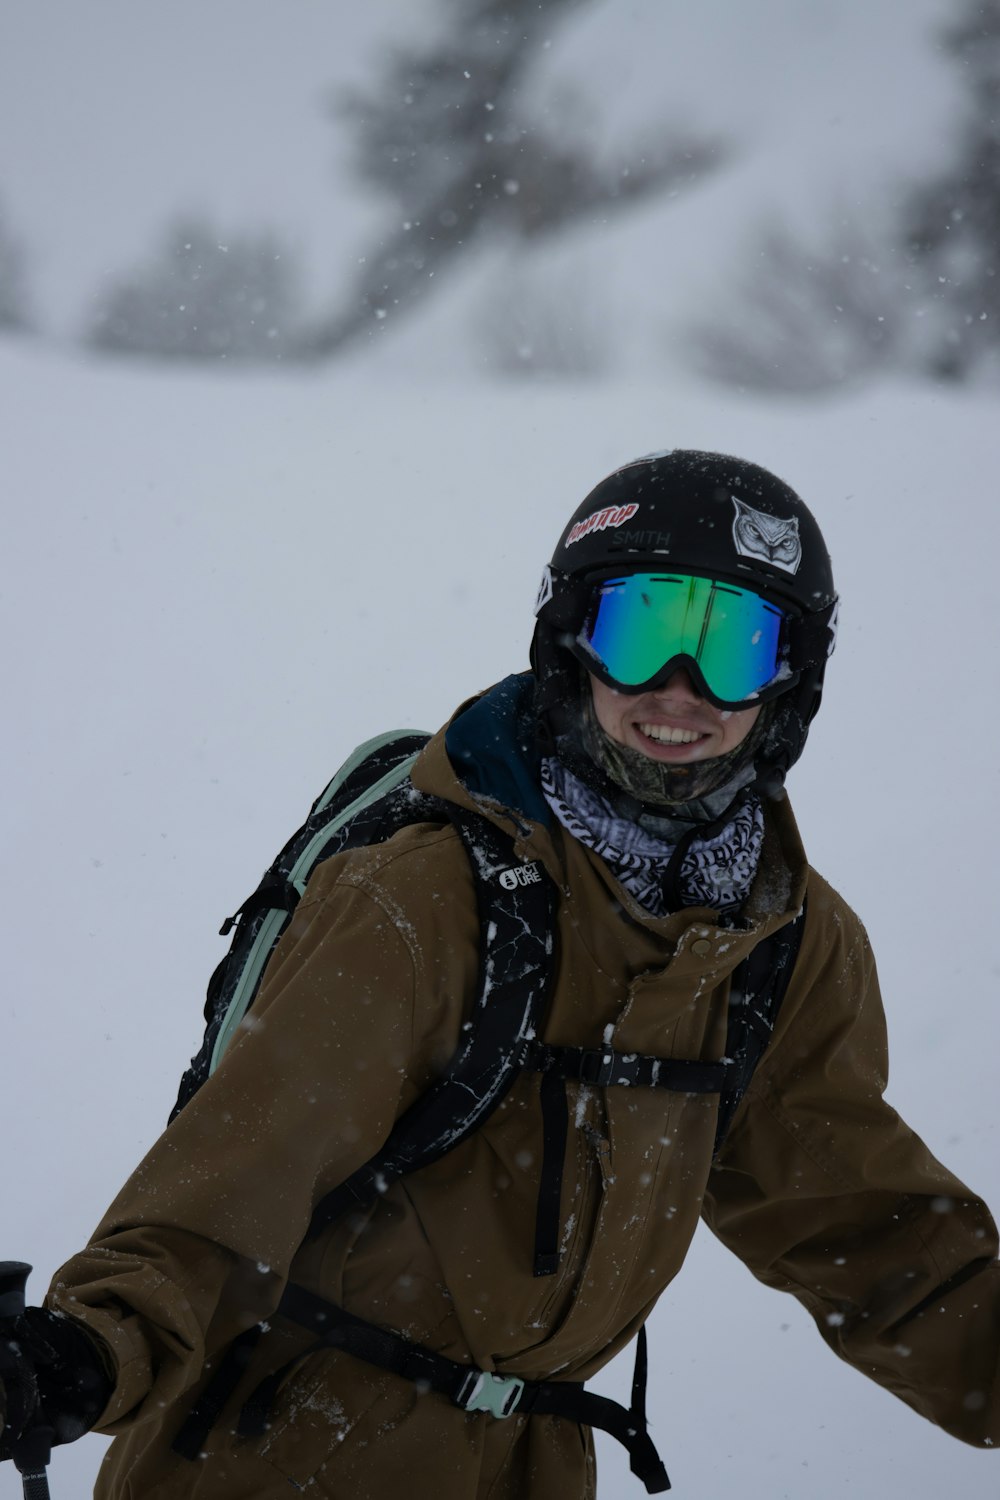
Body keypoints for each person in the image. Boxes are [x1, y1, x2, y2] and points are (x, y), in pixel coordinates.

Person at [1, 449, 997, 1499]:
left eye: (734, 648)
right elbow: (236, 1177)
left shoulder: (777, 941)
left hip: (531, 1466)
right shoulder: (427, 898)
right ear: (570, 640)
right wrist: (88, 1349)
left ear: (792, 681)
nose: (679, 691)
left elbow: (864, 1225)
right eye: (642, 630)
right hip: (278, 1454)